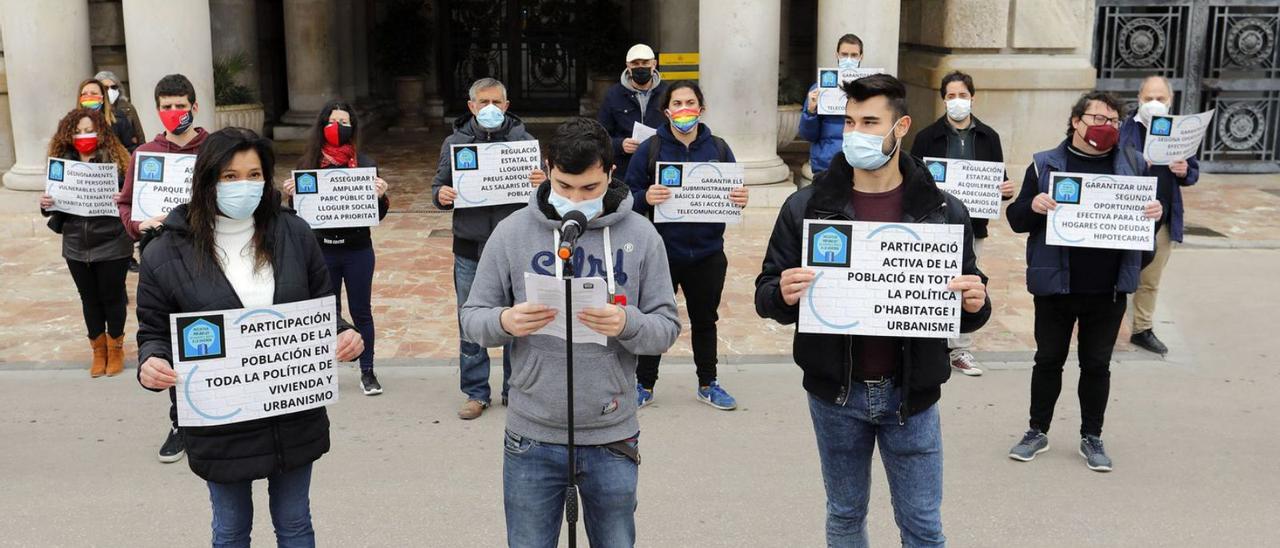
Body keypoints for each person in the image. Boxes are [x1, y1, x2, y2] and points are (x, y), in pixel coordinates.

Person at [755, 74, 991, 547]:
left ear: (900, 126)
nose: (855, 133)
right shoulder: (807, 208)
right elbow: (766, 294)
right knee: (844, 516)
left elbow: (966, 300)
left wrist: (976, 302)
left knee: (923, 525)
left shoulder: (943, 212)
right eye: (848, 122)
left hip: (913, 394)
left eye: (869, 122)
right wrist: (782, 293)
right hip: (835, 394)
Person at [135, 127, 364, 547]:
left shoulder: (294, 234)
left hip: (292, 413)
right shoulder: (164, 253)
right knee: (231, 527)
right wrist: (152, 361)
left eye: (254, 175)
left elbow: (322, 307)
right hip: (220, 422)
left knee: (295, 524)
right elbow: (153, 331)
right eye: (230, 176)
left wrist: (344, 334)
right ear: (207, 179)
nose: (245, 186)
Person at [460, 117, 680, 548]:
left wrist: (627, 323)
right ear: (547, 169)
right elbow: (472, 317)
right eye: (564, 186)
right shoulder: (511, 233)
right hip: (532, 434)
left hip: (611, 433)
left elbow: (666, 327)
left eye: (589, 189)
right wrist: (505, 322)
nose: (575, 199)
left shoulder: (642, 235)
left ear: (610, 174)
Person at [1006, 91, 1163, 473]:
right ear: (1076, 121)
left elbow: (1143, 231)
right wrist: (1034, 206)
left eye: (1113, 121)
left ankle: (1092, 436)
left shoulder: (1134, 165)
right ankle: (1036, 430)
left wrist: (1154, 216)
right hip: (1057, 285)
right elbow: (1016, 219)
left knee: (1097, 365)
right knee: (1048, 360)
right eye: (1098, 119)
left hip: (1106, 289)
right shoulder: (1045, 165)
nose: (1106, 127)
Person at [624, 81, 749, 410]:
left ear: (701, 107)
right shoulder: (650, 149)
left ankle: (708, 383)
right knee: (655, 318)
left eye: (690, 102)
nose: (684, 109)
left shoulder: (719, 149)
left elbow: (733, 194)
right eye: (677, 103)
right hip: (663, 252)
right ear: (666, 111)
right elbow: (625, 196)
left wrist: (740, 198)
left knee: (705, 320)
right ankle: (644, 384)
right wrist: (645, 197)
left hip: (708, 253)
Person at [432, 77, 545, 420]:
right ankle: (475, 392)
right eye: (484, 103)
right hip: (470, 247)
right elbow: (439, 186)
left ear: (507, 106)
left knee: (518, 320)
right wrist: (442, 195)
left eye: (497, 102)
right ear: (471, 106)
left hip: (515, 249)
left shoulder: (525, 143)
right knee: (471, 321)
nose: (491, 109)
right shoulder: (455, 143)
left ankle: (516, 389)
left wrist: (543, 185)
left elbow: (544, 201)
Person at [115, 73, 210, 464]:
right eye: (166, 107)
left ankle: (221, 414)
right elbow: (124, 205)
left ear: (194, 107)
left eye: (180, 106)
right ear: (158, 110)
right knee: (173, 339)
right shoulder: (145, 155)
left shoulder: (213, 150)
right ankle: (181, 422)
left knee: (208, 336)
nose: (174, 113)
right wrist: (140, 225)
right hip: (165, 261)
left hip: (210, 256)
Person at [910, 70, 1016, 377]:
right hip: (933, 224)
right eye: (951, 96)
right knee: (931, 281)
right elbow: (914, 180)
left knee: (967, 283)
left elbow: (999, 181)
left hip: (973, 224)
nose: (957, 101)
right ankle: (927, 343)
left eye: (963, 95)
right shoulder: (927, 137)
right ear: (943, 99)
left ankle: (959, 348)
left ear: (973, 97)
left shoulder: (989, 137)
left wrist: (1005, 191)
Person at [283, 100, 390, 396]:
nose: (338, 128)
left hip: (357, 250)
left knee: (361, 312)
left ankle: (367, 371)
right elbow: (298, 217)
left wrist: (380, 197)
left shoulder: (365, 165)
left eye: (345, 123)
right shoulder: (307, 166)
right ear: (322, 126)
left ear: (352, 128)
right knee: (324, 312)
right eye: (333, 122)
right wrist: (291, 197)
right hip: (321, 251)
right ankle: (321, 370)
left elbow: (377, 215)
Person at [38, 108, 133, 378]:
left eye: (89, 129)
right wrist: (46, 204)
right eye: (78, 131)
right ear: (68, 134)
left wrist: (120, 197)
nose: (84, 135)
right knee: (89, 299)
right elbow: (54, 205)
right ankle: (98, 351)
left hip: (113, 241)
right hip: (76, 244)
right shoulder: (61, 164)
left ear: (101, 131)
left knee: (112, 297)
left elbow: (132, 198)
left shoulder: (117, 161)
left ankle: (116, 348)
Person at [1119, 75, 1199, 356]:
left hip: (1163, 216)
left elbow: (1192, 173)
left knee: (1150, 278)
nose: (1154, 103)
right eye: (1149, 97)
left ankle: (1142, 328)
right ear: (1139, 98)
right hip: (1126, 214)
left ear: (1170, 101)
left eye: (1161, 98)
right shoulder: (1123, 129)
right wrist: (1137, 162)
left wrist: (1184, 171)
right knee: (1115, 272)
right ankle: (1105, 326)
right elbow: (1109, 165)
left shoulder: (1179, 131)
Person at [597, 43, 670, 176]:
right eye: (635, 63)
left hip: (661, 165)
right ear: (628, 66)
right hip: (625, 168)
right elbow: (600, 135)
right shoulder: (614, 95)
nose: (640, 67)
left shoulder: (668, 93)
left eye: (645, 62)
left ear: (654, 64)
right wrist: (620, 145)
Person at [799, 33, 864, 176]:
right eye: (844, 54)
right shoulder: (819, 89)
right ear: (837, 55)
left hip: (860, 164)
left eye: (854, 55)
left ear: (861, 57)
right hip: (826, 165)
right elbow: (807, 135)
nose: (849, 59)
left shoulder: (869, 90)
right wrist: (810, 112)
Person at [76, 78, 136, 154]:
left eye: (94, 93)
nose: (89, 97)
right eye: (84, 94)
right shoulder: (71, 123)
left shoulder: (118, 119)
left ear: (103, 98)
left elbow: (131, 149)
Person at [93, 70, 146, 152]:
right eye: (105, 88)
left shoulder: (128, 108)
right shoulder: (93, 110)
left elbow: (140, 137)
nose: (110, 90)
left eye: (113, 87)